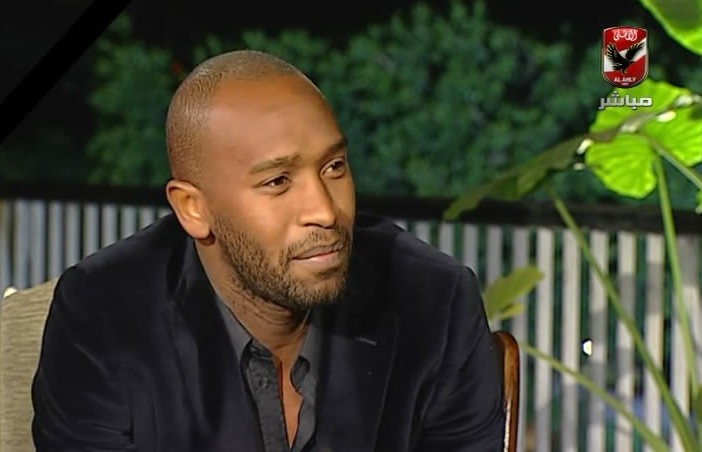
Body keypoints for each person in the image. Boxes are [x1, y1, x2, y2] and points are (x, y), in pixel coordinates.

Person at [31, 49, 505, 452]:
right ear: (193, 209)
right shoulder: (103, 314)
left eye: (334, 167)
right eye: (278, 181)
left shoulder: (434, 301)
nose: (324, 211)